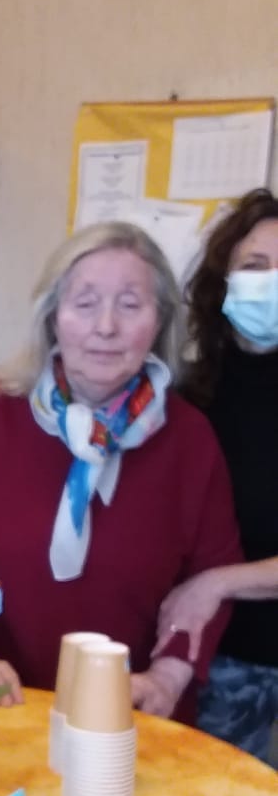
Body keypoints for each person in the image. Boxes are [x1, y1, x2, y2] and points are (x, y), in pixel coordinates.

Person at [0, 220, 241, 722]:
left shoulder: (189, 438)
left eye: (130, 305)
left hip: (129, 716)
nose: (106, 327)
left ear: (158, 323)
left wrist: (169, 676)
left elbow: (209, 580)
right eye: (85, 303)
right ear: (53, 317)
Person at [154, 189, 278, 764]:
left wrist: (221, 581)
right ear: (221, 280)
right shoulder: (185, 396)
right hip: (217, 664)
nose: (271, 281)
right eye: (256, 267)